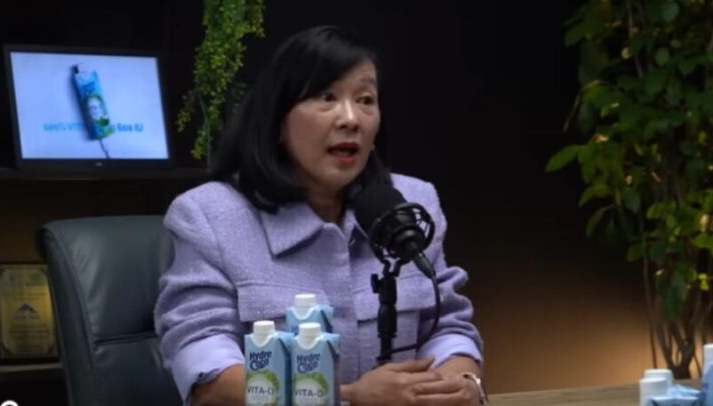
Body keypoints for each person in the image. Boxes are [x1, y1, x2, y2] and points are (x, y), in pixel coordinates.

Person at [154, 25, 485, 406]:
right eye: (327, 97)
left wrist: (460, 382)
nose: (351, 119)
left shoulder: (411, 203)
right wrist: (348, 398)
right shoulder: (210, 216)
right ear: (279, 120)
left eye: (365, 100)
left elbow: (447, 326)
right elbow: (206, 372)